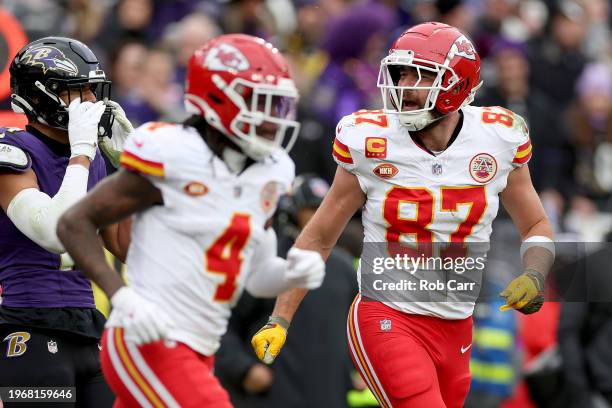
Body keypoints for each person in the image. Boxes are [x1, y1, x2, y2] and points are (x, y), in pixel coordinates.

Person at [251, 22, 555, 408]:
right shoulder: (370, 140)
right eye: (401, 73)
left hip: (456, 321)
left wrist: (534, 273)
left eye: (422, 75)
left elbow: (536, 224)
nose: (405, 85)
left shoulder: (497, 138)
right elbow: (320, 235)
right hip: (387, 314)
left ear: (458, 83)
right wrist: (280, 318)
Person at [57, 34, 326, 407]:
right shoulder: (173, 153)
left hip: (202, 344)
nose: (271, 117)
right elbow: (74, 223)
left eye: (276, 102)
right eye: (257, 101)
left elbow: (257, 276)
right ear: (217, 97)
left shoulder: (272, 171)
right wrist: (122, 296)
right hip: (148, 339)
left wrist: (291, 274)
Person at [0, 37, 131, 406]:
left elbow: (126, 247)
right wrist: (82, 154)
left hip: (89, 330)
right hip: (29, 328)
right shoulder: (12, 153)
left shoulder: (95, 159)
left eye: (93, 90)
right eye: (77, 92)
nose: (91, 101)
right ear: (39, 97)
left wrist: (137, 174)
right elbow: (56, 232)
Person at [216, 174, 358, 408]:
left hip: (329, 397)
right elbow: (222, 322)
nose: (322, 217)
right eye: (312, 210)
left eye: (326, 209)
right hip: (271, 398)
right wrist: (243, 369)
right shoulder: (265, 262)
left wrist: (357, 369)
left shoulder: (344, 268)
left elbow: (360, 327)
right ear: (291, 212)